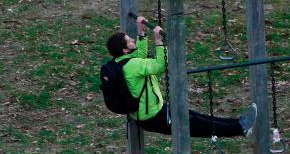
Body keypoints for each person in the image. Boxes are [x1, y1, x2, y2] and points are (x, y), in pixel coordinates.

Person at [105, 16, 257, 138]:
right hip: (153, 116)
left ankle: (239, 123)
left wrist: (141, 32)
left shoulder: (120, 62)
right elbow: (160, 65)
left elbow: (140, 54)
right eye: (130, 40)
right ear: (125, 50)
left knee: (195, 116)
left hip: (150, 112)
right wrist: (158, 42)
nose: (132, 40)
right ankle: (240, 128)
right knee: (196, 125)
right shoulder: (133, 65)